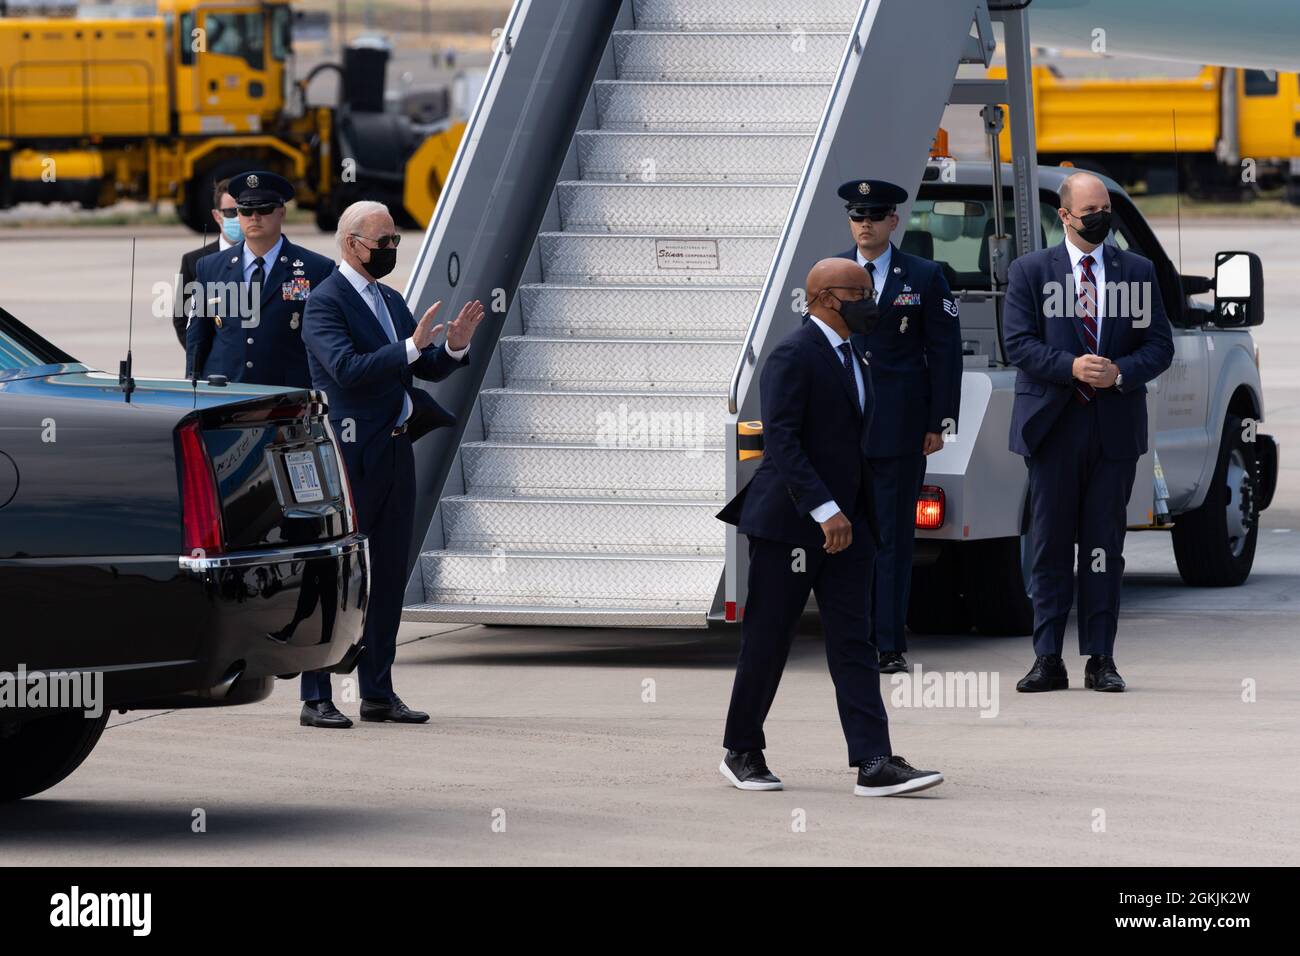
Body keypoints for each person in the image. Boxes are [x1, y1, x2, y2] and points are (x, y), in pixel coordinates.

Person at [715, 256, 944, 797]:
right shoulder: (794, 354)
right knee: (768, 640)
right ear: (822, 298)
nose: (872, 302)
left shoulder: (854, 353)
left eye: (872, 291)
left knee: (854, 642)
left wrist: (860, 511)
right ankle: (741, 750)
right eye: (859, 293)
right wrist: (825, 511)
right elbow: (784, 442)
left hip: (851, 525)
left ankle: (873, 761)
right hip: (793, 525)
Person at [298, 200, 484, 728]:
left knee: (388, 574)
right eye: (383, 243)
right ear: (352, 244)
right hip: (349, 452)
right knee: (336, 574)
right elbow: (347, 370)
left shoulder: (389, 298)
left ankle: (377, 690)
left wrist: (452, 347)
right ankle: (316, 696)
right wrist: (408, 347)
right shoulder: (324, 303)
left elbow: (421, 365)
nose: (390, 251)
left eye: (395, 242)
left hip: (396, 449)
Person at [1003, 171, 1174, 693]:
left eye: (1105, 208)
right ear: (1065, 215)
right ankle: (1047, 657)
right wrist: (1071, 366)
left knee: (1104, 546)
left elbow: (1159, 346)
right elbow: (1019, 343)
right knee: (1051, 545)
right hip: (1053, 427)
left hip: (1113, 427)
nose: (1100, 217)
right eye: (1090, 210)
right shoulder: (1031, 271)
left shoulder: (1138, 271)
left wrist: (1119, 372)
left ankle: (1101, 658)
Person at [835, 178, 962, 674]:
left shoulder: (925, 276)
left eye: (875, 215)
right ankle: (851, 637)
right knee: (844, 535)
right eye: (857, 215)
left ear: (894, 221)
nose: (865, 224)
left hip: (901, 429)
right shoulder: (834, 273)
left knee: (892, 539)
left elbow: (944, 353)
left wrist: (940, 422)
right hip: (844, 429)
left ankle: (888, 644)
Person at [185, 170, 333, 387]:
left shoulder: (316, 269)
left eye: (264, 208)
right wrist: (192, 383)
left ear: (281, 211)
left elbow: (326, 340)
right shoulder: (210, 267)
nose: (254, 217)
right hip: (225, 395)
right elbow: (197, 337)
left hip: (286, 397)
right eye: (245, 210)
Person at [174, 177, 239, 348]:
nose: (239, 218)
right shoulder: (194, 261)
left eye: (244, 211)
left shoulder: (262, 258)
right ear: (217, 216)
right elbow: (182, 318)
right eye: (232, 212)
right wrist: (201, 360)